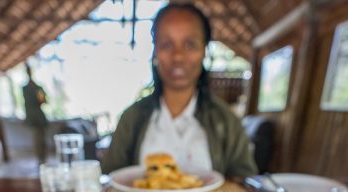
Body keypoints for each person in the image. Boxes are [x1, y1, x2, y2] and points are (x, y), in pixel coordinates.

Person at [101, 3, 257, 178]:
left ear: (204, 50)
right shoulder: (132, 119)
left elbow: (245, 183)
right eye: (167, 45)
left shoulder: (226, 121)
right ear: (155, 51)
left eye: (190, 44)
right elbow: (111, 182)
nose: (178, 56)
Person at [23, 63, 49, 163]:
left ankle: (42, 158)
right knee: (38, 139)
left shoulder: (35, 88)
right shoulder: (29, 88)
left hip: (36, 116)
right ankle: (41, 159)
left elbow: (44, 101)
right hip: (35, 117)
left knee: (40, 138)